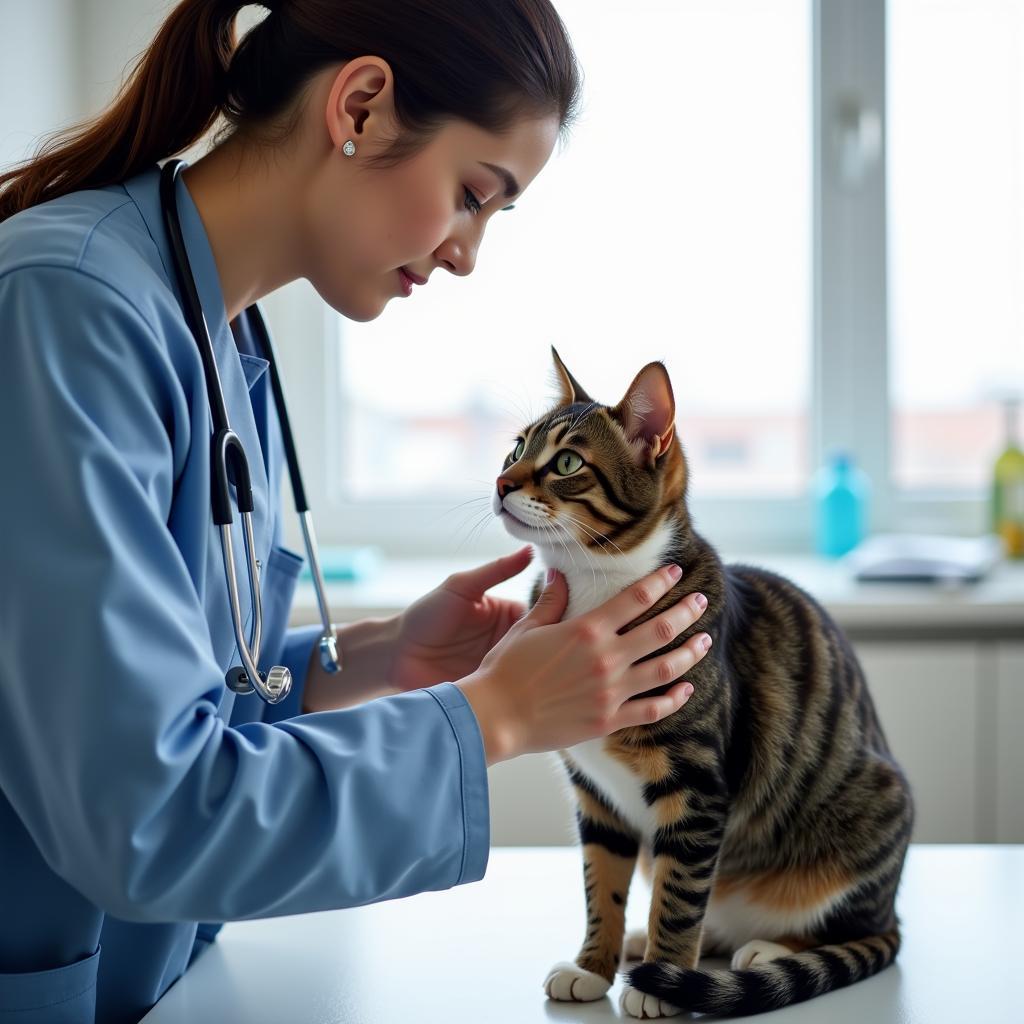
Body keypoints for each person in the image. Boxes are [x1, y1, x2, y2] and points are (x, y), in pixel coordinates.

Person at [0, 2, 710, 1022]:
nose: (469, 252)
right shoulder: (69, 309)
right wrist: (498, 714)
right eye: (474, 195)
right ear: (363, 104)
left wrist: (372, 662)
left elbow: (167, 696)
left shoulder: (221, 336)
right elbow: (145, 813)